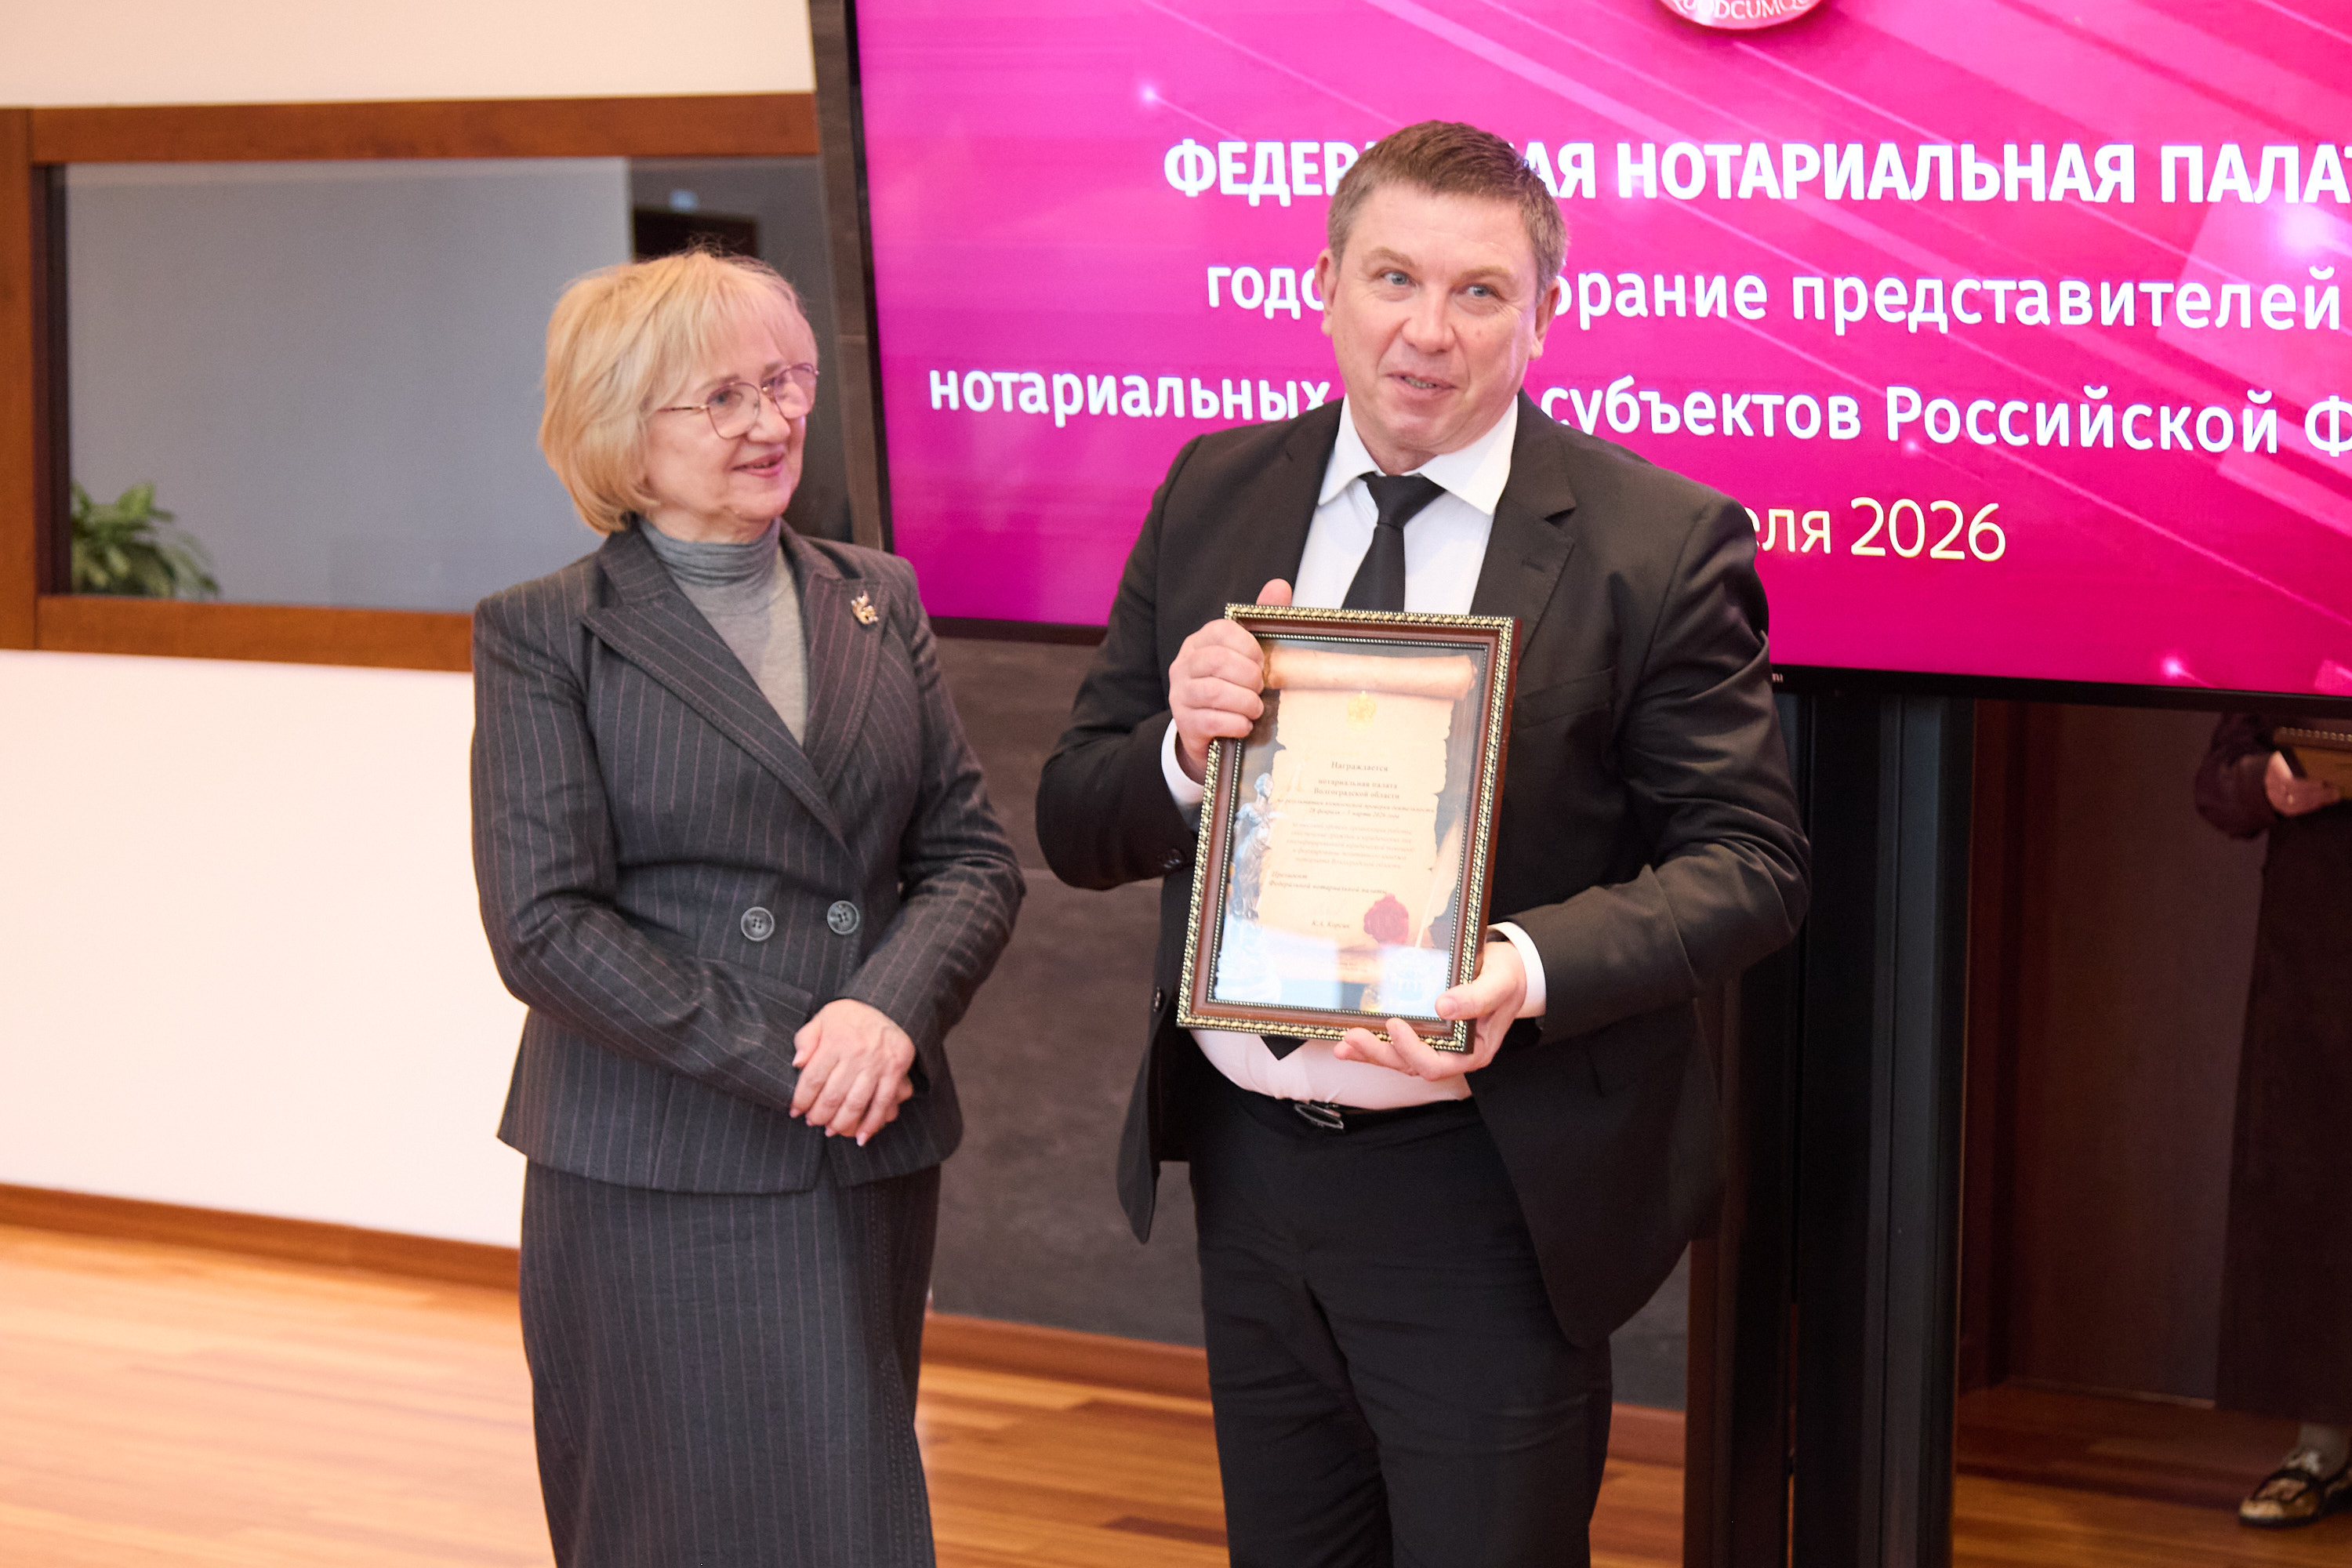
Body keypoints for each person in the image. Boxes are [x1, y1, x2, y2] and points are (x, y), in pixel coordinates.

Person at [1035, 122, 1809, 1566]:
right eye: (1393, 278)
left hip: (1486, 1189)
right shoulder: (1213, 490)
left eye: (1479, 292)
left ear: (1543, 316)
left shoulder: (1655, 540)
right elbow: (1076, 817)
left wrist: (1521, 967)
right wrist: (1182, 752)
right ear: (1323, 285)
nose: (1428, 332)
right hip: (1252, 1177)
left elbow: (1750, 863)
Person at [471, 249, 1022, 1566]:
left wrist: (886, 1017)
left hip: (866, 1140)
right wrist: (798, 1057)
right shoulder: (545, 632)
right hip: (658, 1153)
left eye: (785, 382)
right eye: (722, 397)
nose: (771, 421)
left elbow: (971, 858)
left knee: (849, 1515)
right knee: (670, 1522)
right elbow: (543, 925)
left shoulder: (877, 596)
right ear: (621, 429)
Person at [2196, 713, 2351, 1528]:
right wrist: (2270, 783)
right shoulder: (2302, 637)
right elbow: (2217, 780)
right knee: (2318, 1189)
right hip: (2323, 951)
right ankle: (2323, 1447)